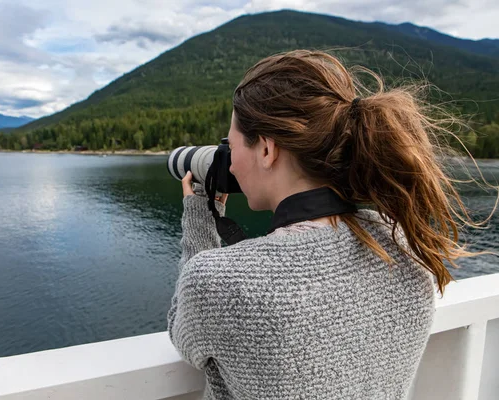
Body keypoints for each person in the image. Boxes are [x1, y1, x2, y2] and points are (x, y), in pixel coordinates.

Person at [167, 50, 486, 399]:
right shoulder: (404, 246)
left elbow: (185, 335)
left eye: (232, 144)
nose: (229, 163)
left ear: (267, 151)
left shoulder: (219, 281)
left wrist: (200, 216)